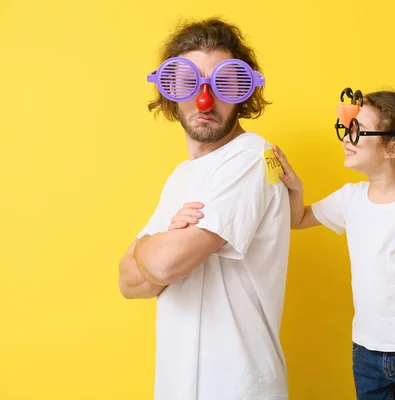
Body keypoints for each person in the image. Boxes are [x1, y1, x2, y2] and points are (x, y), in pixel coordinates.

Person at [117, 17, 291, 400]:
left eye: (225, 82)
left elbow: (159, 267)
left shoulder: (252, 158)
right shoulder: (182, 175)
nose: (204, 100)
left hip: (237, 387)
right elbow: (127, 282)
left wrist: (151, 246)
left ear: (244, 91)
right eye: (187, 82)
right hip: (178, 385)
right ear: (169, 90)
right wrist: (164, 246)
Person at [273, 90, 395, 399]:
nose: (347, 137)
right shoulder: (351, 197)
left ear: (392, 148)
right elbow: (298, 219)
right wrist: (296, 188)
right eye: (347, 127)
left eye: (357, 129)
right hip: (366, 352)